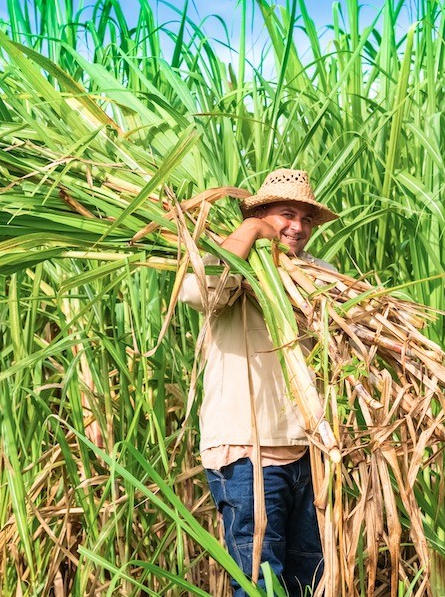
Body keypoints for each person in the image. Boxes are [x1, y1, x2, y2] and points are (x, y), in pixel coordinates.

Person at [178, 169, 339, 596]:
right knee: (258, 582)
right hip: (248, 455)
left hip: (311, 454)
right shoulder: (234, 266)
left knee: (309, 581)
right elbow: (199, 293)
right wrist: (249, 230)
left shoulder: (317, 274)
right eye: (287, 214)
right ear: (263, 215)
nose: (298, 227)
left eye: (306, 218)